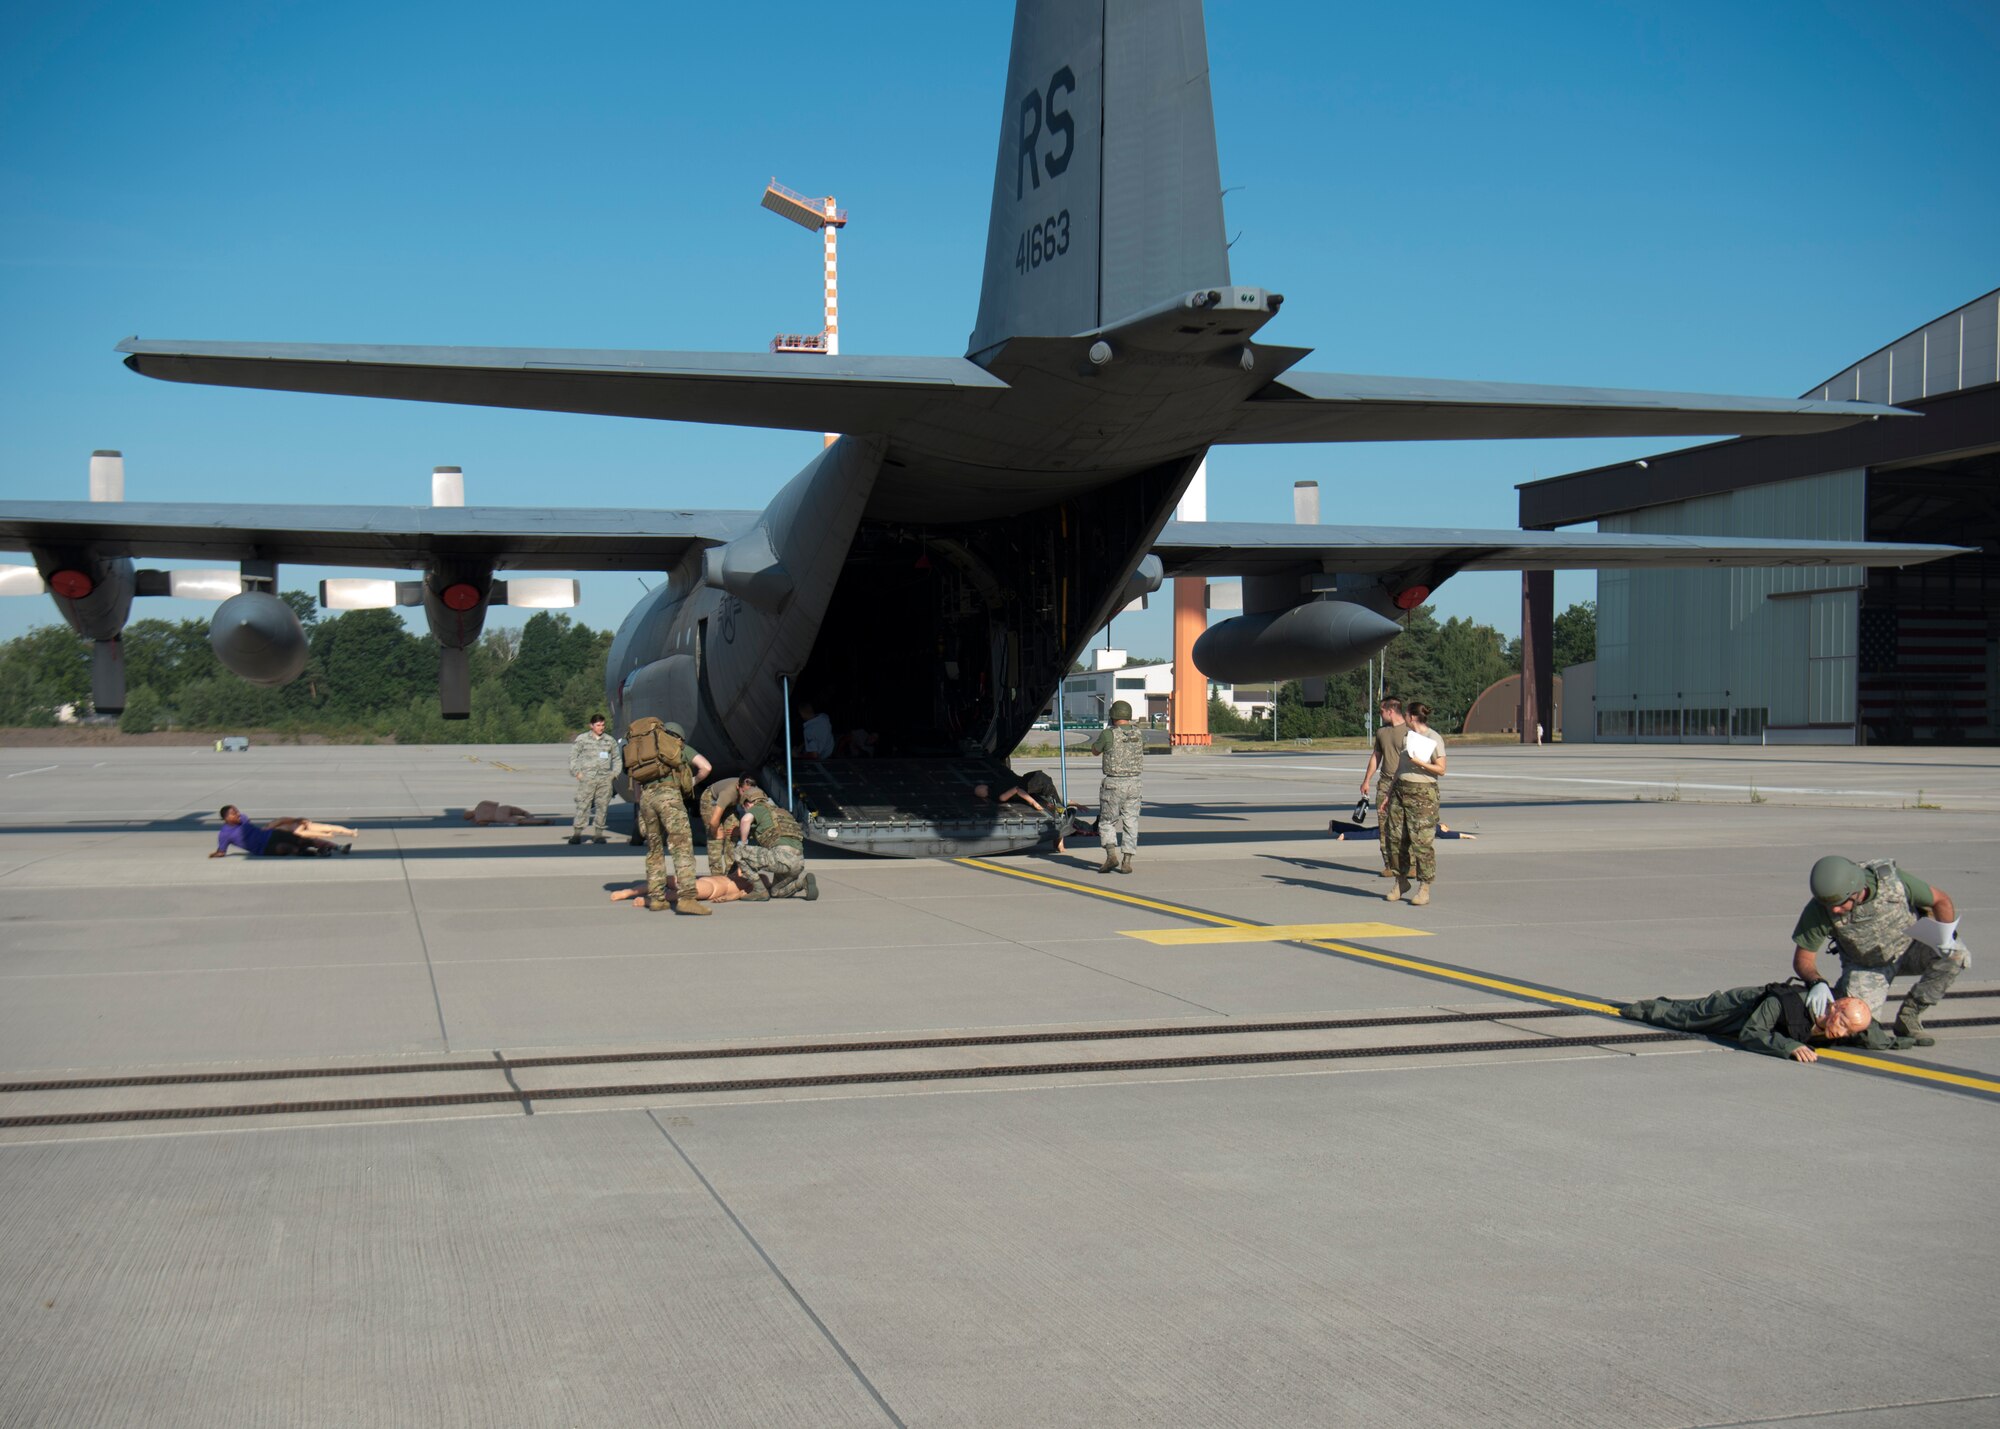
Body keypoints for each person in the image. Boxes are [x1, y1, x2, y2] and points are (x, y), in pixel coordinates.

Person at [1790, 855, 1968, 1046]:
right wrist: (1817, 982)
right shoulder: (1820, 908)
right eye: (1829, 905)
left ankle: (1910, 1016)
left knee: (1956, 955)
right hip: (1867, 967)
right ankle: (1838, 995)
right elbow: (1803, 959)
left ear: (1857, 891)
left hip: (1910, 949)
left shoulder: (1892, 882)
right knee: (1852, 1028)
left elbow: (1941, 900)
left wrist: (1945, 938)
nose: (1834, 910)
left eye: (1840, 903)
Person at [1619, 983, 1893, 1062]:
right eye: (1843, 1023)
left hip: (1754, 1020)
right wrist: (1787, 1046)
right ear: (1834, 1008)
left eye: (1849, 1030)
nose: (1842, 1033)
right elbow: (1752, 1033)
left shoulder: (1842, 1025)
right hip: (1736, 1009)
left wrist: (1899, 1040)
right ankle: (1635, 1008)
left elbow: (1868, 1032)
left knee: (1685, 1013)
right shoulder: (1786, 1004)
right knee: (1684, 1017)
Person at [632, 718, 713, 915]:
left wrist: (640, 804)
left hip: (647, 798)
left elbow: (635, 780)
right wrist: (691, 782)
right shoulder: (678, 746)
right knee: (682, 846)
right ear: (679, 736)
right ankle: (686, 898)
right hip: (669, 797)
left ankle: (657, 899)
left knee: (654, 850)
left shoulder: (646, 748)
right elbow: (706, 767)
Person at [1383, 700, 1446, 906]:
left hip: (1423, 795)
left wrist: (1418, 761)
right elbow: (1399, 770)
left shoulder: (1433, 738)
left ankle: (1424, 888)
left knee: (1422, 842)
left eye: (1407, 716)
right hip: (1400, 791)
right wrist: (1388, 794)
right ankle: (1400, 882)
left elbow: (1441, 769)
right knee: (1395, 839)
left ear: (1411, 717)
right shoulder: (1407, 738)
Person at [732, 778, 819, 901]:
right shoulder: (781, 812)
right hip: (798, 862)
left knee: (739, 851)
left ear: (748, 803)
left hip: (780, 857)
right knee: (776, 892)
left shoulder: (759, 807)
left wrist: (743, 842)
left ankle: (759, 891)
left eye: (744, 807)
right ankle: (802, 883)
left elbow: (745, 820)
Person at [1086, 700, 1145, 875]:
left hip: (1114, 784)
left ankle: (1111, 855)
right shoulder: (1139, 733)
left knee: (1107, 821)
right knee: (1131, 822)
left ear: (1113, 716)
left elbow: (1095, 750)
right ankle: (1127, 861)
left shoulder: (1108, 734)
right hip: (1134, 782)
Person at [1357, 696, 1407, 879]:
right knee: (1384, 825)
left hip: (1405, 782)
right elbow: (1376, 757)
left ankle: (1410, 864)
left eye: (1381, 711)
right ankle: (1390, 865)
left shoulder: (1410, 731)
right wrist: (1366, 780)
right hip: (1385, 783)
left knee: (1406, 826)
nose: (1380, 714)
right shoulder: (1381, 732)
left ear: (1390, 711)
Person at [973, 770, 1071, 852]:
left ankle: (1059, 843)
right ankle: (1059, 843)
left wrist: (1033, 803)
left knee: (1056, 808)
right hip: (1034, 778)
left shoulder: (1000, 796)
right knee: (1056, 808)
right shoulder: (997, 783)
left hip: (1035, 783)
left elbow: (1017, 790)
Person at [567, 714, 623, 845]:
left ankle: (598, 834)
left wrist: (614, 774)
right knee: (583, 805)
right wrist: (577, 772)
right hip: (588, 778)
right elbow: (573, 756)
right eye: (598, 725)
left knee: (602, 806)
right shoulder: (582, 739)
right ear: (591, 726)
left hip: (604, 779)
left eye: (603, 725)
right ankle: (577, 833)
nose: (601, 728)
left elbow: (617, 759)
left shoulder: (609, 741)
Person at [210, 805, 346, 858]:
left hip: (269, 835)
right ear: (226, 818)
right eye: (234, 813)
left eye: (237, 811)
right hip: (262, 849)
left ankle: (337, 847)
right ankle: (317, 853)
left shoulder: (243, 818)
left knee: (300, 838)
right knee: (287, 848)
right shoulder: (224, 834)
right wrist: (214, 854)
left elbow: (251, 830)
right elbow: (222, 851)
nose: (238, 814)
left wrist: (269, 826)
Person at [698, 777, 743, 879]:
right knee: (715, 838)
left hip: (731, 804)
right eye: (743, 791)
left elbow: (755, 815)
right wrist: (715, 832)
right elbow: (714, 821)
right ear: (738, 787)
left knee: (733, 833)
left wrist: (740, 830)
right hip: (712, 799)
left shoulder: (753, 794)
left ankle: (731, 873)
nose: (745, 794)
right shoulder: (727, 794)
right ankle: (716, 875)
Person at [610, 874, 750, 907]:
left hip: (713, 889)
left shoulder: (759, 881)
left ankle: (650, 900)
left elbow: (741, 893)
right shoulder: (744, 866)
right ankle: (628, 892)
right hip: (706, 880)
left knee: (683, 892)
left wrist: (728, 898)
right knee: (666, 879)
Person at [462, 801, 549, 826]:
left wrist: (475, 820)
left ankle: (541, 821)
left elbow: (485, 823)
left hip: (498, 817)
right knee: (514, 810)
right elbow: (495, 804)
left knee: (520, 821)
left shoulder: (478, 819)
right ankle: (526, 813)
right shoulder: (481, 804)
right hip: (501, 809)